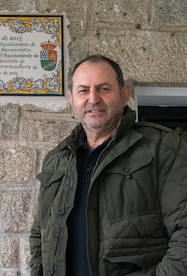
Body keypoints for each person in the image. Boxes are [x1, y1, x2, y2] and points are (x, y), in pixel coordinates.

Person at [29, 55, 187, 275]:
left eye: (104, 89)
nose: (93, 99)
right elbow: (39, 234)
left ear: (124, 95)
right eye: (83, 90)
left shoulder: (162, 147)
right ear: (71, 99)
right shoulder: (57, 159)